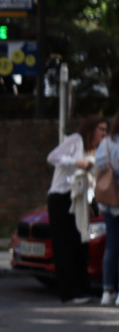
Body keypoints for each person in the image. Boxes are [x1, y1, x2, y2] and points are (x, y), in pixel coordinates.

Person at [47, 115, 110, 304]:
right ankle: (69, 292)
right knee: (64, 244)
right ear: (91, 129)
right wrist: (76, 162)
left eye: (106, 130)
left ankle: (83, 289)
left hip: (80, 200)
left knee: (80, 245)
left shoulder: (96, 151)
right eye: (101, 129)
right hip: (61, 196)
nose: (104, 134)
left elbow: (90, 182)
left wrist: (91, 203)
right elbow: (52, 157)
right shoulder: (75, 140)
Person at [95, 113, 119, 306]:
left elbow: (98, 165)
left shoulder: (106, 143)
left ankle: (107, 291)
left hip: (108, 199)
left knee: (112, 245)